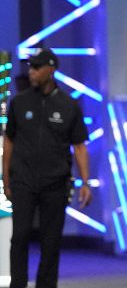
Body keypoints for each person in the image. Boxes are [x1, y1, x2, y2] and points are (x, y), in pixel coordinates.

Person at [4, 49, 91, 288]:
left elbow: (79, 146)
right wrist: (5, 176)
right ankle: (18, 284)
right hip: (23, 179)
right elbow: (9, 140)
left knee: (50, 241)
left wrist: (85, 182)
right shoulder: (20, 102)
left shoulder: (68, 105)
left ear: (51, 70)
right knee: (19, 235)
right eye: (30, 67)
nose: (31, 71)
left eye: (36, 67)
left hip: (55, 182)